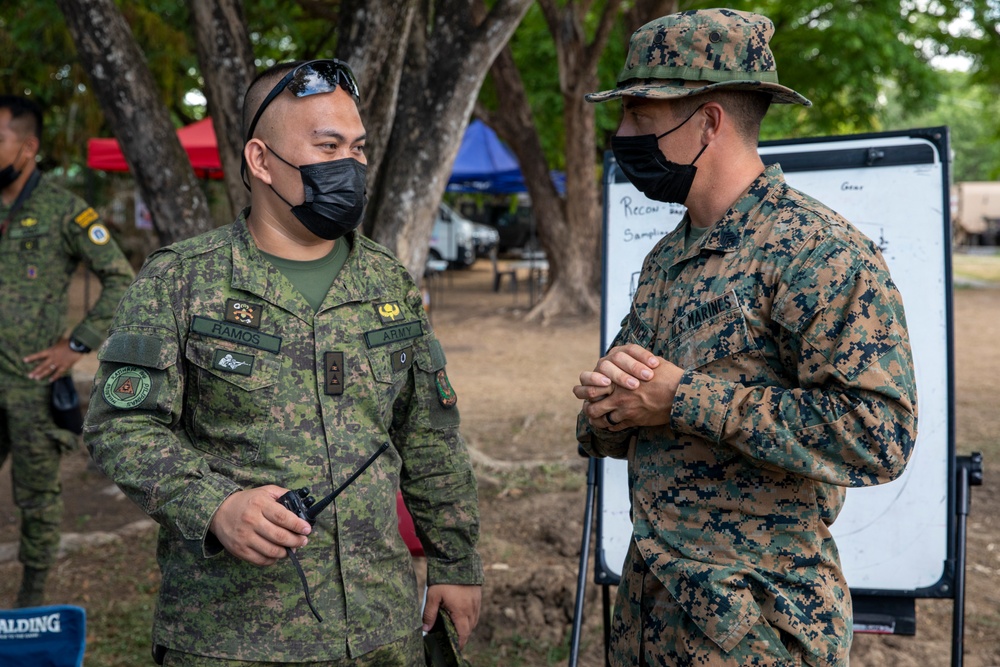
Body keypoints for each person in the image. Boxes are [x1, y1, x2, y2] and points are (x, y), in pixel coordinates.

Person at [84, 60, 483, 666]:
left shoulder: (387, 280)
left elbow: (428, 435)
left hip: (381, 629)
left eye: (357, 148)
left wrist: (455, 560)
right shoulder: (183, 279)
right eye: (327, 147)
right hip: (232, 638)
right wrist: (214, 505)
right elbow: (120, 425)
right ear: (262, 160)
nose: (349, 166)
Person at [573, 9, 917, 667]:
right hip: (652, 609)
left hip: (759, 627)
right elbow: (628, 413)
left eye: (642, 116)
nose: (622, 135)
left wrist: (683, 400)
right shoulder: (668, 258)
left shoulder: (818, 253)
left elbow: (880, 433)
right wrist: (608, 405)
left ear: (707, 122)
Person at [0, 94, 135, 608]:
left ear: (28, 146)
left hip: (31, 386)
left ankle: (31, 604)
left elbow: (120, 277)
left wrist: (76, 344)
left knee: (36, 499)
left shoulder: (65, 210)